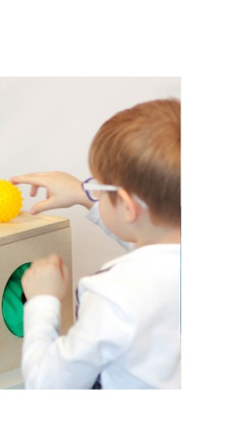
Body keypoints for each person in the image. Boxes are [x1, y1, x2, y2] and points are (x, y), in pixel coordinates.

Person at [11, 98, 180, 389]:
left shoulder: (114, 296)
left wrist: (42, 301)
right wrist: (84, 194)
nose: (93, 191)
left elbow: (47, 384)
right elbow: (158, 251)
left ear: (128, 206)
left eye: (98, 187)